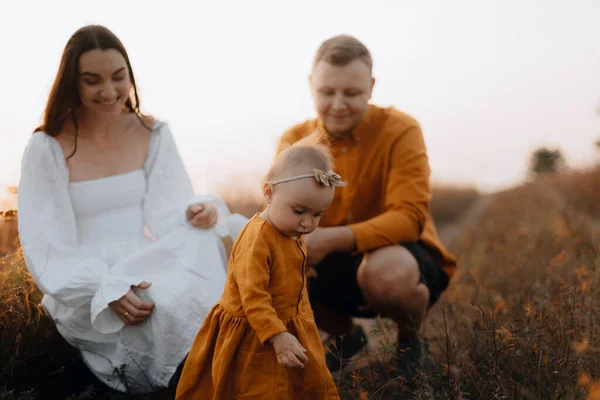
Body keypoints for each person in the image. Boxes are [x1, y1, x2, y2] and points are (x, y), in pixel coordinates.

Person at [17, 25, 247, 394]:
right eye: (92, 81)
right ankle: (188, 383)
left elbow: (168, 212)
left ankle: (226, 375)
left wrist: (196, 212)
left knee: (195, 278)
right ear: (71, 83)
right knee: (157, 304)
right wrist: (103, 289)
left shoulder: (152, 132)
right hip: (84, 270)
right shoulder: (48, 145)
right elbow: (47, 243)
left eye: (118, 77)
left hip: (144, 254)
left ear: (130, 76)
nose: (109, 92)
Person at [276, 34, 457, 376]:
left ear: (371, 87)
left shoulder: (401, 130)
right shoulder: (293, 141)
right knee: (270, 266)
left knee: (386, 271)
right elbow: (280, 217)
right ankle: (345, 336)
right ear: (310, 86)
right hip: (326, 264)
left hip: (400, 257)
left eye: (352, 93)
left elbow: (408, 218)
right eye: (327, 92)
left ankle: (409, 341)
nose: (338, 104)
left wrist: (328, 239)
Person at [175, 134, 342, 399]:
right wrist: (277, 335)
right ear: (269, 193)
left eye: (317, 214)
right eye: (299, 211)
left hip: (290, 323)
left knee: (303, 383)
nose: (307, 223)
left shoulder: (291, 232)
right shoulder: (257, 238)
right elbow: (252, 295)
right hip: (255, 332)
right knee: (256, 388)